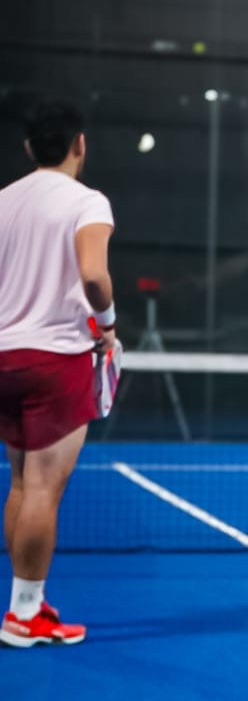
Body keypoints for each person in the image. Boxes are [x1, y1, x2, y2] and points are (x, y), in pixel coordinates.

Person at [0, 101, 118, 647]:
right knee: (44, 488)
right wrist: (108, 325)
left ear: (29, 148)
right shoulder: (87, 201)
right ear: (80, 145)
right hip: (55, 360)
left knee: (23, 482)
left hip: (4, 359)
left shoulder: (4, 200)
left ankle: (25, 604)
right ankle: (24, 617)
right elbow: (94, 275)